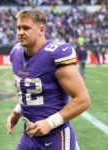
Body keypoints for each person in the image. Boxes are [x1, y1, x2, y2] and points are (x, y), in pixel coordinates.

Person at [6, 9, 91, 150]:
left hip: (56, 136)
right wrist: (17, 111)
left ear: (41, 29)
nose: (20, 32)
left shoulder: (55, 54)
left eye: (26, 28)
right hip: (29, 134)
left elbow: (83, 100)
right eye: (18, 28)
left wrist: (50, 123)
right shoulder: (16, 53)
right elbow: (31, 91)